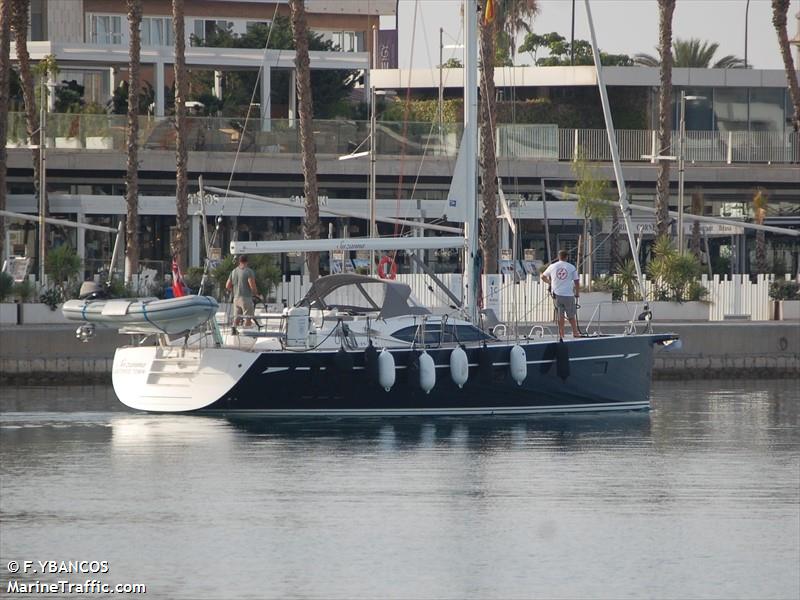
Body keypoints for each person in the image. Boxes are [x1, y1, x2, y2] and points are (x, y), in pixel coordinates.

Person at [541, 249, 582, 340]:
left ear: (558, 256)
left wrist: (550, 283)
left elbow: (542, 276)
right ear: (567, 257)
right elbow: (577, 282)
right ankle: (575, 332)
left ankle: (561, 334)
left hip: (556, 294)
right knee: (571, 315)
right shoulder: (571, 267)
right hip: (568, 295)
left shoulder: (552, 266)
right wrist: (577, 293)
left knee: (560, 315)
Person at [226, 255, 259, 327]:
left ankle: (234, 333)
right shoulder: (248, 271)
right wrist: (256, 294)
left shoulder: (233, 271)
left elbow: (227, 286)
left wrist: (234, 290)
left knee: (236, 319)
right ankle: (247, 334)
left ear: (239, 262)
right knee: (248, 318)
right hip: (246, 298)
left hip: (236, 298)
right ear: (247, 262)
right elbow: (252, 285)